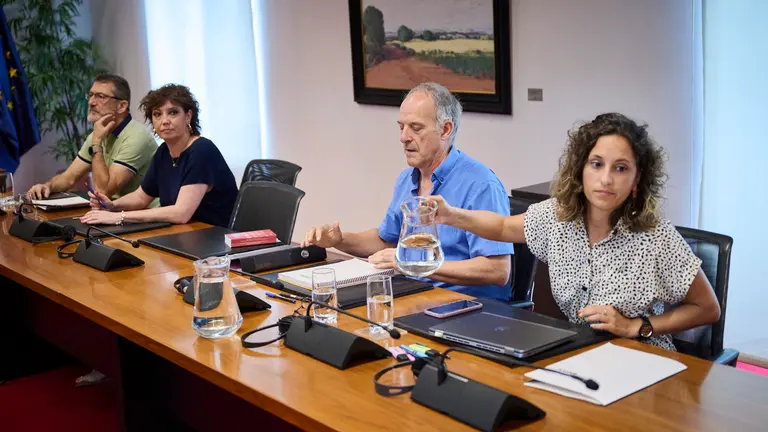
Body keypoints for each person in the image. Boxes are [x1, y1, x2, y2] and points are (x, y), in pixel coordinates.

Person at [429, 113, 721, 350]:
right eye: (597, 164)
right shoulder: (557, 216)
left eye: (620, 168)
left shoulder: (655, 235)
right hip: (581, 352)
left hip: (643, 359)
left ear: (636, 179)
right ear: (581, 169)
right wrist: (451, 215)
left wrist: (637, 326)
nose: (606, 179)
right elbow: (503, 226)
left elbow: (708, 308)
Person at [301, 82, 514, 300]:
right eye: (401, 127)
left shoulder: (480, 184)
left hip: (469, 307)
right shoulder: (407, 178)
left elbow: (497, 270)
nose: (403, 137)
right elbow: (387, 241)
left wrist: (413, 264)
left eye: (416, 128)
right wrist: (338, 240)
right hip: (415, 296)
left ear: (445, 130)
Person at [79, 84, 238, 227]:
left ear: (188, 116)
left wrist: (118, 217)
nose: (165, 121)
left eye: (173, 113)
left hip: (217, 238)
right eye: (157, 114)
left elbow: (181, 213)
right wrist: (112, 206)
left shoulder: (202, 150)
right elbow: (141, 197)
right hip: (185, 233)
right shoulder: (163, 152)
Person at [27, 74, 157, 200]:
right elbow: (68, 178)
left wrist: (96, 143)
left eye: (100, 97)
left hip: (146, 212)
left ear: (121, 106)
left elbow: (103, 191)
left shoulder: (136, 137)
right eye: (90, 95)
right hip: (114, 209)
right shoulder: (99, 133)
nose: (91, 102)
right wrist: (47, 186)